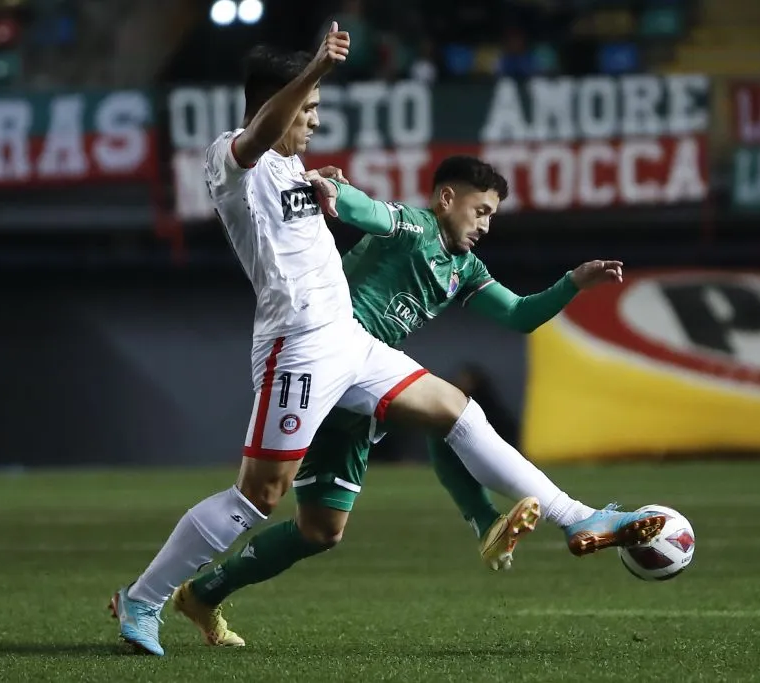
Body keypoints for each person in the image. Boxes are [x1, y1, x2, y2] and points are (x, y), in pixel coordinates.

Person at [109, 30, 663, 657]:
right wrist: (317, 66)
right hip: (298, 346)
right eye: (310, 110)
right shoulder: (232, 159)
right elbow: (267, 137)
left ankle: (578, 516)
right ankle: (145, 597)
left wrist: (326, 188)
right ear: (277, 104)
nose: (314, 123)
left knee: (456, 411)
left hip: (347, 338)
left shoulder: (293, 168)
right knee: (259, 497)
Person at [168, 156, 653, 648]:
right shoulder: (412, 226)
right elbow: (372, 212)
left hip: (358, 387)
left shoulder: (464, 267)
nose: (486, 225)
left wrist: (571, 282)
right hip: (324, 364)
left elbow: (519, 315)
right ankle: (569, 516)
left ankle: (203, 594)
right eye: (480, 210)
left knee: (320, 531)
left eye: (492, 216)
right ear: (446, 199)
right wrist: (340, 195)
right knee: (453, 413)